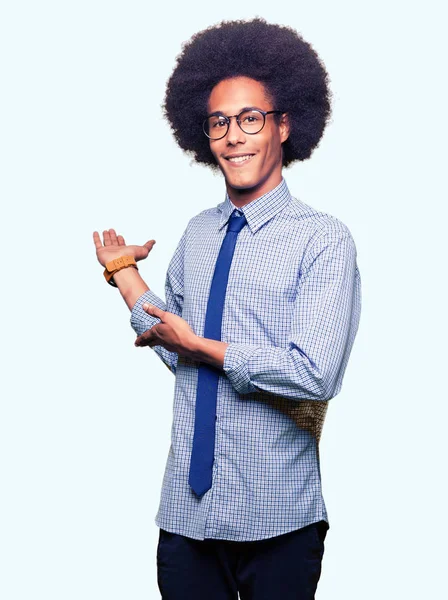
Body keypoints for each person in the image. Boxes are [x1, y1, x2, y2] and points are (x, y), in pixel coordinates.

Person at [93, 18, 361, 600]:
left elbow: (315, 373)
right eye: (219, 122)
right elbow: (176, 344)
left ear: (284, 125)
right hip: (187, 523)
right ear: (204, 134)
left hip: (278, 520)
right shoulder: (198, 233)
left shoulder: (323, 240)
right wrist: (125, 275)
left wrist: (203, 348)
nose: (233, 136)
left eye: (249, 119)